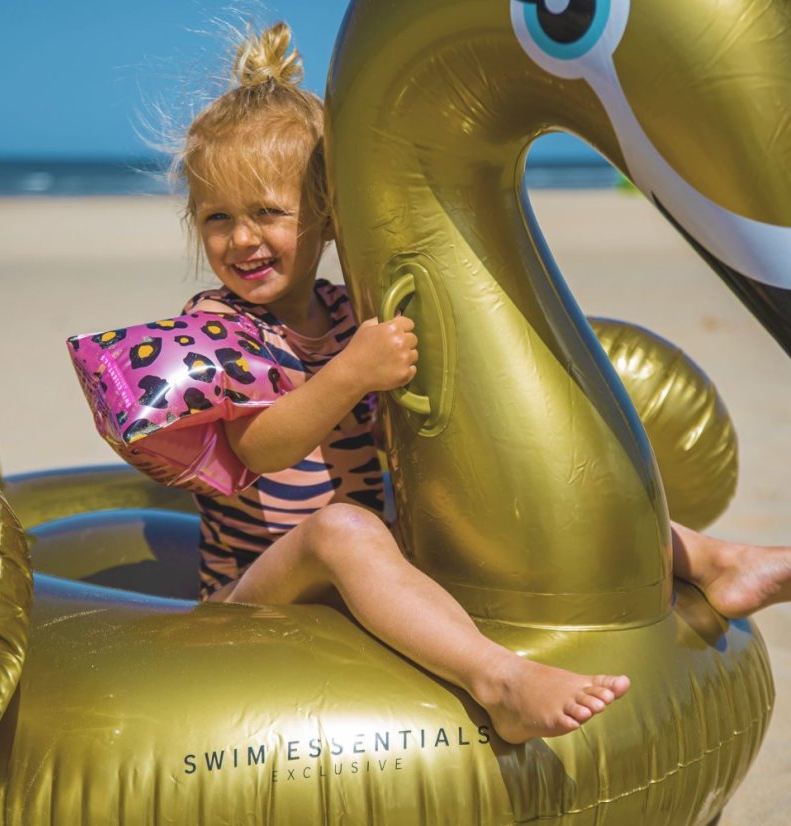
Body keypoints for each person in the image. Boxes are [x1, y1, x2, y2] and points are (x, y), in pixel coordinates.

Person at [168, 21, 790, 745]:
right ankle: (498, 681)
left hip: (365, 557)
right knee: (341, 529)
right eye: (218, 219)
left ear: (331, 215)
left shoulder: (349, 310)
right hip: (255, 593)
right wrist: (351, 375)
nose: (241, 239)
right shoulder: (216, 328)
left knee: (510, 489)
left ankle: (715, 561)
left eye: (267, 213)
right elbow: (259, 447)